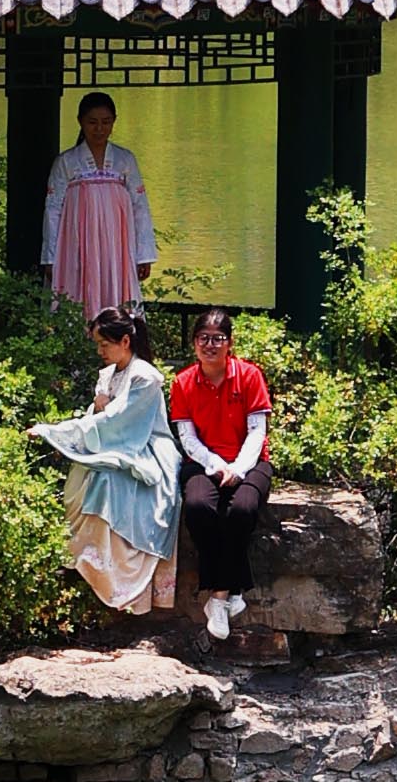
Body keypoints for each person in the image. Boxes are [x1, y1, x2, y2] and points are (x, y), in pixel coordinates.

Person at [37, 307, 179, 619]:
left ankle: (105, 565)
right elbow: (100, 418)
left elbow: (118, 421)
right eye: (98, 345)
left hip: (146, 445)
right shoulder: (108, 374)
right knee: (84, 475)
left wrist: (56, 430)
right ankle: (87, 555)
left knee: (107, 482)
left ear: (125, 341)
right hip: (117, 442)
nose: (100, 351)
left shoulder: (145, 376)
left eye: (104, 344)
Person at [166, 307, 275, 647]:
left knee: (242, 509)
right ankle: (234, 589)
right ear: (194, 342)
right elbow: (187, 438)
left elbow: (257, 433)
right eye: (204, 339)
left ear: (230, 343)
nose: (210, 345)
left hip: (250, 459)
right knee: (198, 507)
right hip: (203, 462)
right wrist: (215, 465)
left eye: (218, 339)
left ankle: (218, 596)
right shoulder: (183, 383)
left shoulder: (249, 376)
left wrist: (239, 469)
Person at [39, 91, 156, 324]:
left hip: (117, 246)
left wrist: (144, 254)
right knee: (79, 288)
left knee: (116, 292)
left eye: (106, 122)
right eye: (92, 122)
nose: (99, 129)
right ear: (81, 122)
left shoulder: (125, 160)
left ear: (114, 121)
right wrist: (50, 258)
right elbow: (53, 210)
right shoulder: (66, 162)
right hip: (76, 245)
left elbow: (139, 207)